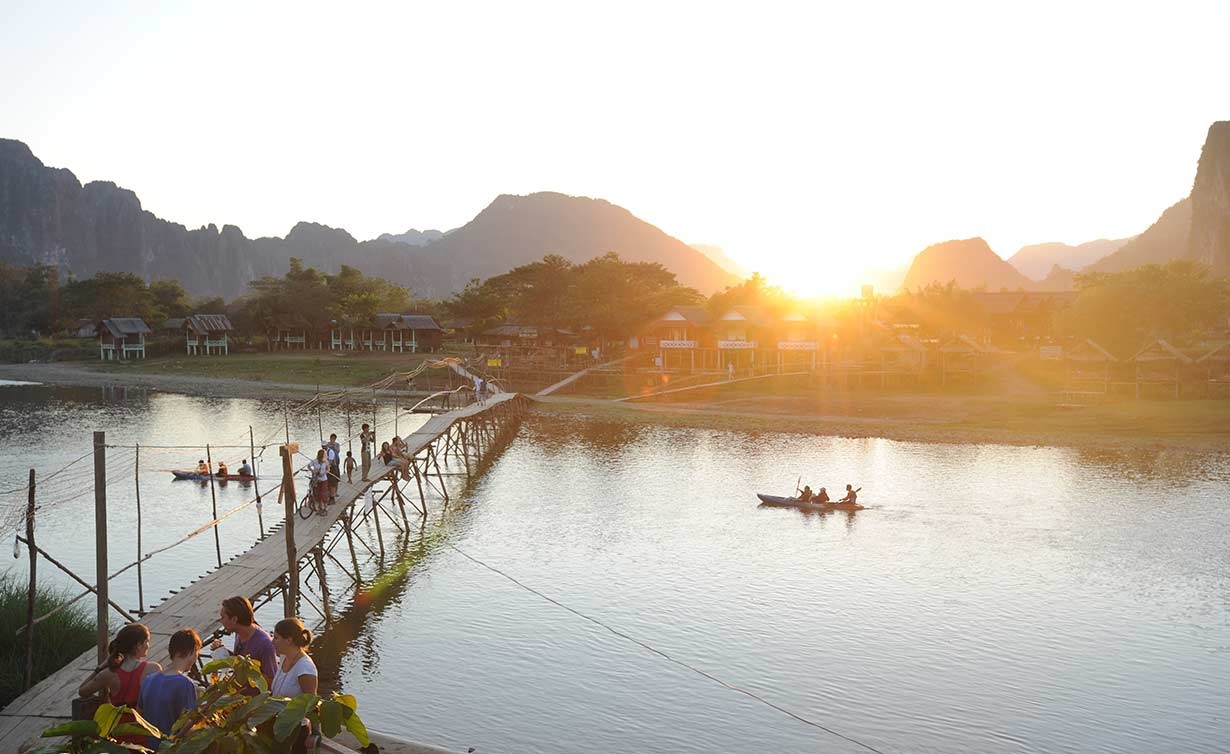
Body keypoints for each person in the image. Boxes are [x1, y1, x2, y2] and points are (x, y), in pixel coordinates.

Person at [78, 623, 162, 744]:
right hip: (145, 733)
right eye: (147, 641)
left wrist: (100, 667)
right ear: (139, 645)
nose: (148, 645)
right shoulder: (153, 669)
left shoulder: (108, 674)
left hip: (119, 735)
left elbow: (82, 691)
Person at [138, 629, 201, 750]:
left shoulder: (149, 680)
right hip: (172, 749)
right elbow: (187, 728)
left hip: (149, 748)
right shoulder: (185, 684)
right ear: (193, 651)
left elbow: (139, 715)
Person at [210, 596, 276, 686]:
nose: (221, 621)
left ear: (234, 619)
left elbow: (272, 680)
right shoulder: (239, 633)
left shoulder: (264, 644)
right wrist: (224, 652)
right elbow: (239, 658)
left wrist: (247, 672)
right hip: (239, 692)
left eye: (223, 617)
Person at [270, 618, 318, 697]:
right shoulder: (283, 657)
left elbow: (311, 704)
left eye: (276, 638)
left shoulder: (305, 668)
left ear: (289, 640)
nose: (272, 642)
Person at [325, 434, 341, 501]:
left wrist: (334, 446)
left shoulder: (337, 444)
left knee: (336, 478)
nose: (333, 440)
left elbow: (338, 450)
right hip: (329, 464)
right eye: (332, 438)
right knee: (329, 480)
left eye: (334, 439)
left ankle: (335, 492)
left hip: (335, 462)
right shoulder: (327, 445)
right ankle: (330, 493)